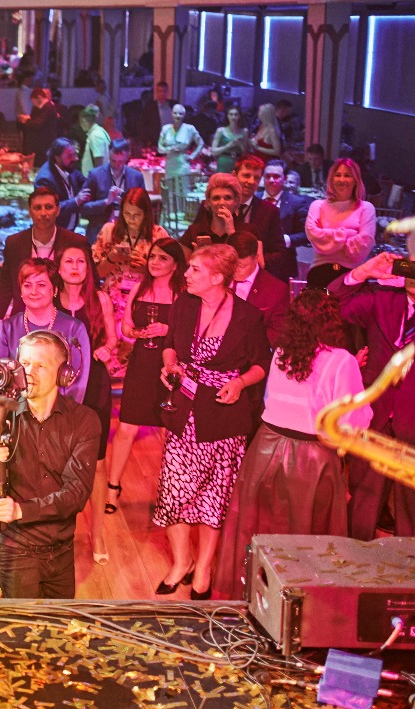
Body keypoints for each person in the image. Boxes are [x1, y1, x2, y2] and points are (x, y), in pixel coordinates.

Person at [214, 289, 370, 600]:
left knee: (258, 531)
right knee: (306, 541)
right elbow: (350, 420)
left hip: (265, 449)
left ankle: (255, 598)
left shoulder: (282, 353)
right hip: (312, 459)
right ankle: (302, 606)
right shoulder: (342, 361)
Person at [155, 245, 270, 600]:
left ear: (218, 277)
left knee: (212, 499)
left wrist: (240, 383)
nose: (186, 274)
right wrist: (169, 365)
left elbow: (261, 365)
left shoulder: (248, 316)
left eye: (195, 269)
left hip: (223, 416)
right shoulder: (184, 304)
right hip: (184, 411)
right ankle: (181, 562)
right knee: (173, 491)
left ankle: (203, 569)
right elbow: (170, 344)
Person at [328, 250, 415, 540]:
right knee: (362, 505)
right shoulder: (383, 299)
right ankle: (354, 562)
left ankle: (414, 567)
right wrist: (362, 272)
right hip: (374, 418)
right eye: (412, 264)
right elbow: (329, 305)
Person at [0, 330, 101, 599]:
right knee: (22, 623)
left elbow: (76, 494)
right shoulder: (1, 416)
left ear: (63, 374)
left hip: (61, 549)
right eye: (24, 363)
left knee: (59, 621)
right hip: (14, 549)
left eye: (40, 365)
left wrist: (21, 510)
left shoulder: (84, 421)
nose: (29, 373)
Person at [106, 238, 187, 514]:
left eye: (163, 258)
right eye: (152, 256)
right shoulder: (139, 288)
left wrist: (167, 330)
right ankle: (112, 488)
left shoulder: (183, 293)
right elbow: (126, 327)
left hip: (170, 366)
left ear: (175, 265)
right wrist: (134, 332)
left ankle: (171, 491)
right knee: (126, 426)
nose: (155, 262)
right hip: (141, 362)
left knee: (168, 430)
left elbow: (191, 331)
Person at [55, 245, 118, 563]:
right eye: (69, 261)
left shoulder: (100, 299)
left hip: (94, 385)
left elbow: (113, 339)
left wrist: (106, 349)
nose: (75, 266)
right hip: (56, 387)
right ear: (59, 268)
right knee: (54, 458)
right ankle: (56, 531)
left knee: (97, 462)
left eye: (81, 261)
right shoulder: (49, 301)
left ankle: (98, 534)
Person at [0, 258, 91, 403]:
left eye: (41, 285)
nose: (33, 291)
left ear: (55, 290)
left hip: (60, 412)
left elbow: (77, 384)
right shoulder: (7, 328)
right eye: (27, 285)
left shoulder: (74, 329)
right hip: (15, 410)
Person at [0, 186, 90, 320]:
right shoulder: (14, 243)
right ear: (30, 211)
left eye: (48, 207)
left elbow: (90, 282)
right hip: (23, 318)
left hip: (65, 318)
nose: (43, 213)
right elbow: (6, 285)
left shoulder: (76, 242)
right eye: (37, 208)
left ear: (58, 210)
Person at [92, 187, 169, 334]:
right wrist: (111, 259)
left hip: (145, 298)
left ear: (146, 214)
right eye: (127, 213)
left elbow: (171, 273)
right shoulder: (109, 231)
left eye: (137, 215)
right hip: (112, 299)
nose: (131, 219)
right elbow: (95, 274)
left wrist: (147, 267)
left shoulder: (158, 234)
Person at [305, 158, 376, 288]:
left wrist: (329, 239)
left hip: (354, 274)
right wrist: (349, 234)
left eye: (347, 175)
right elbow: (314, 236)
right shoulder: (317, 206)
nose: (342, 180)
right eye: (338, 175)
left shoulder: (366, 208)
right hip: (320, 271)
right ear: (331, 179)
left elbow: (361, 250)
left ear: (356, 180)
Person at [230, 231, 289, 349]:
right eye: (231, 263)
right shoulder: (218, 279)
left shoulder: (275, 289)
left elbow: (277, 332)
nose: (235, 270)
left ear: (256, 258)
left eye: (241, 266)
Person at [80, 139, 144, 244]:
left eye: (121, 161)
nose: (117, 164)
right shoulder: (95, 175)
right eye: (113, 160)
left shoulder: (136, 176)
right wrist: (106, 202)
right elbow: (83, 208)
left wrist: (127, 204)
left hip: (129, 233)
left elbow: (145, 208)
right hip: (100, 233)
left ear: (128, 156)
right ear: (109, 155)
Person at [158, 104, 204, 229]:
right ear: (171, 114)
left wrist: (192, 156)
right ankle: (166, 226)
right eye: (175, 113)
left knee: (182, 194)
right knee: (169, 194)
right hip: (170, 164)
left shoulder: (189, 128)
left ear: (184, 115)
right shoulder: (166, 128)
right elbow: (159, 148)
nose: (177, 116)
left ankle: (182, 226)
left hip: (183, 164)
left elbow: (201, 143)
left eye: (181, 113)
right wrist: (168, 149)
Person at [178, 173, 247, 253]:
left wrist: (232, 234)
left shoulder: (247, 232)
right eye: (216, 198)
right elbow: (181, 260)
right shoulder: (194, 231)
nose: (222, 203)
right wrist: (196, 257)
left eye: (227, 198)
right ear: (208, 202)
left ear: (236, 201)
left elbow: (248, 260)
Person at [34, 139, 90, 231]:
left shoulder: (69, 168)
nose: (75, 158)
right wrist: (76, 201)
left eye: (75, 154)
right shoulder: (44, 179)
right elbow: (48, 209)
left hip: (69, 230)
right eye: (70, 156)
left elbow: (88, 183)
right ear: (57, 157)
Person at [262, 160, 310, 258]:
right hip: (253, 261)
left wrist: (285, 240)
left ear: (285, 179)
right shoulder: (254, 199)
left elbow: (306, 235)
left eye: (276, 176)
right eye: (267, 176)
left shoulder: (297, 203)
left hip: (283, 259)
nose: (271, 180)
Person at [19, 87, 64, 169]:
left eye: (34, 101)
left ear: (39, 98)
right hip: (40, 145)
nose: (34, 104)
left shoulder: (48, 107)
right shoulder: (43, 108)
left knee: (42, 166)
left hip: (44, 145)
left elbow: (39, 124)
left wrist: (27, 121)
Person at [209, 105, 249, 174]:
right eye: (231, 114)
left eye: (236, 114)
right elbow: (213, 151)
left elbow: (245, 153)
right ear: (227, 116)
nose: (233, 117)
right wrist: (228, 146)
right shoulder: (221, 131)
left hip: (238, 161)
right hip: (224, 161)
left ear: (239, 116)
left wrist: (240, 144)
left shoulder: (244, 131)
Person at [77, 105, 109, 175]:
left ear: (84, 120)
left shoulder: (95, 135)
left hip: (95, 179)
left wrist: (95, 179)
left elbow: (99, 160)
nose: (80, 125)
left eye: (80, 122)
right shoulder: (97, 132)